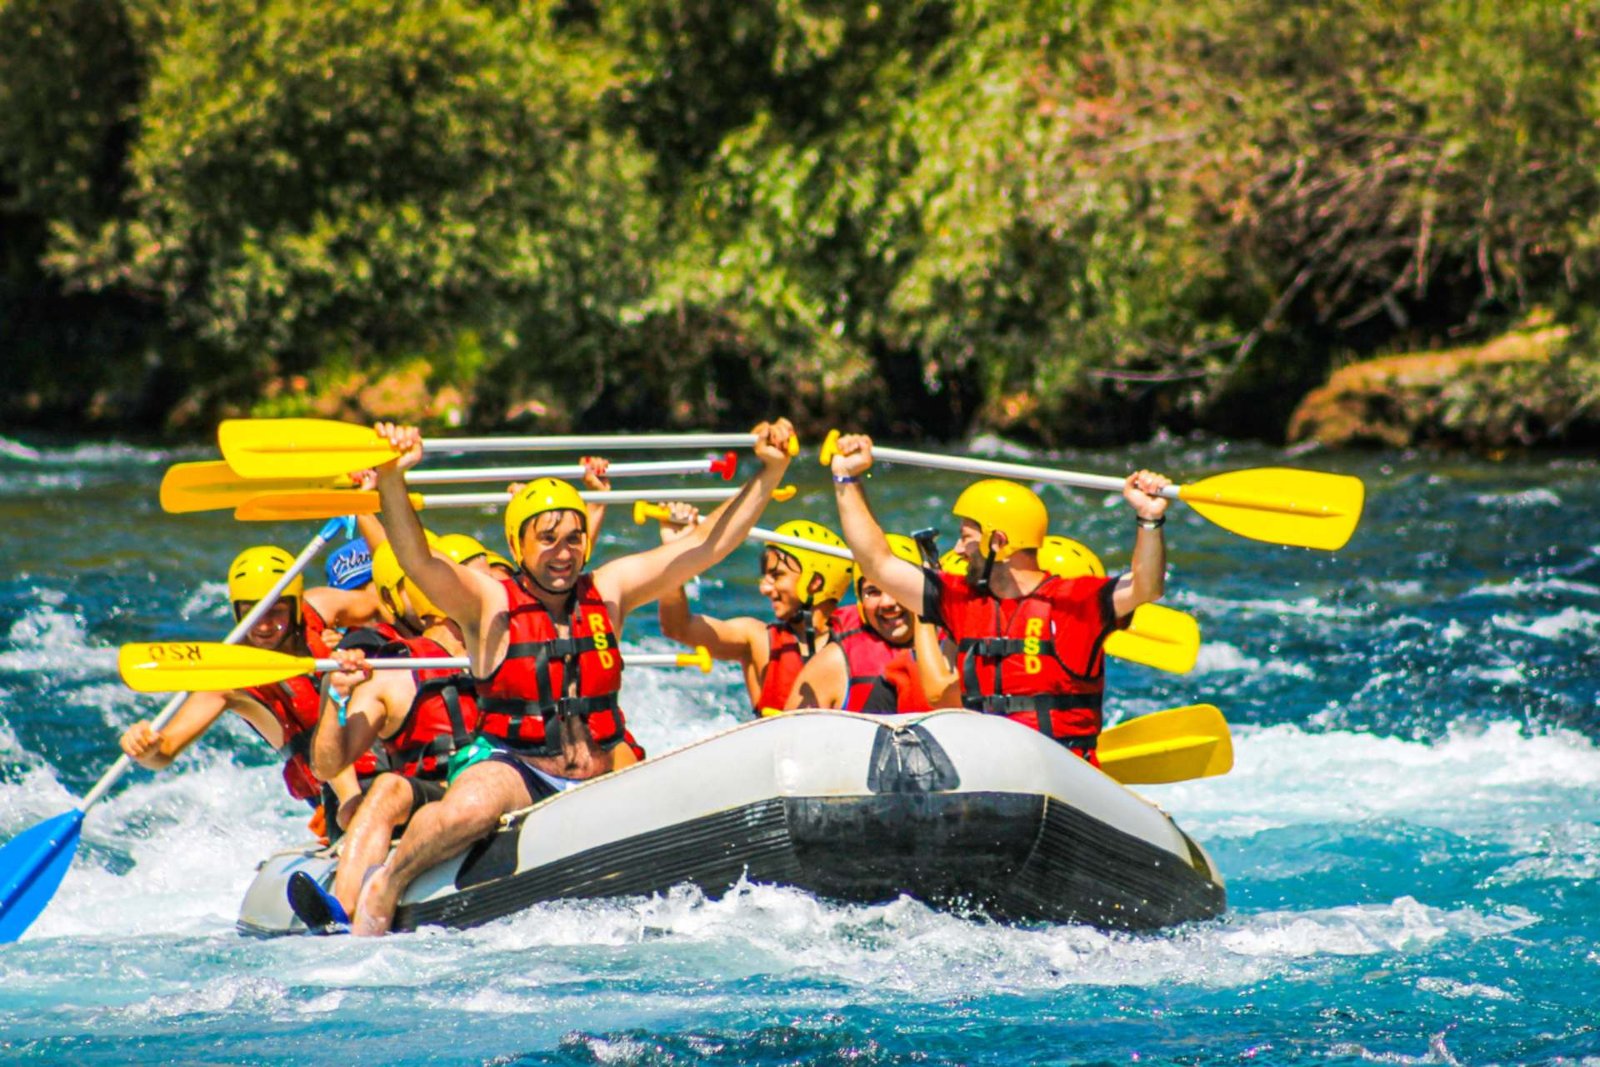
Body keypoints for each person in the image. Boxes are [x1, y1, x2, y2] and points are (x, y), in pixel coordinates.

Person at [345, 418, 797, 935]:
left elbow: (704, 548)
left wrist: (770, 471)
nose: (563, 552)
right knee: (467, 810)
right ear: (518, 545)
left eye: (574, 538)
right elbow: (417, 560)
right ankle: (388, 881)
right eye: (548, 539)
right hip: (519, 768)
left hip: (600, 766)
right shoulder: (488, 600)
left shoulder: (608, 590)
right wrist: (392, 478)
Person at [826, 434, 1171, 762]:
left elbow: (1146, 586)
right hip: (989, 771)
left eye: (966, 538)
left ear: (999, 542)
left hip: (1064, 774)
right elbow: (877, 563)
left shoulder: (1074, 601)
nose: (958, 550)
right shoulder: (960, 600)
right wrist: (846, 480)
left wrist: (1149, 518)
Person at [291, 539, 481, 929]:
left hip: (501, 777)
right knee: (389, 789)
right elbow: (328, 764)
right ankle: (341, 911)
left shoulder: (501, 634)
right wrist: (334, 697)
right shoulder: (380, 659)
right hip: (434, 788)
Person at [117, 546, 365, 828]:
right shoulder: (229, 679)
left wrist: (351, 640)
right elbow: (166, 750)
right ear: (236, 611)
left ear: (296, 607)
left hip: (380, 750)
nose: (264, 625)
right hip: (335, 794)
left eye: (277, 612)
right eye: (252, 613)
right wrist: (147, 749)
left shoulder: (322, 608)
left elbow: (388, 607)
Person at [656, 505, 855, 716]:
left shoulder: (859, 643)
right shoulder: (757, 640)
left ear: (814, 582)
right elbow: (678, 627)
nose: (764, 588)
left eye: (776, 576)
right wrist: (674, 551)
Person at [783, 534, 932, 713]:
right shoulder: (833, 663)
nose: (887, 603)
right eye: (872, 591)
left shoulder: (952, 645)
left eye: (897, 586)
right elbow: (792, 737)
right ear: (860, 602)